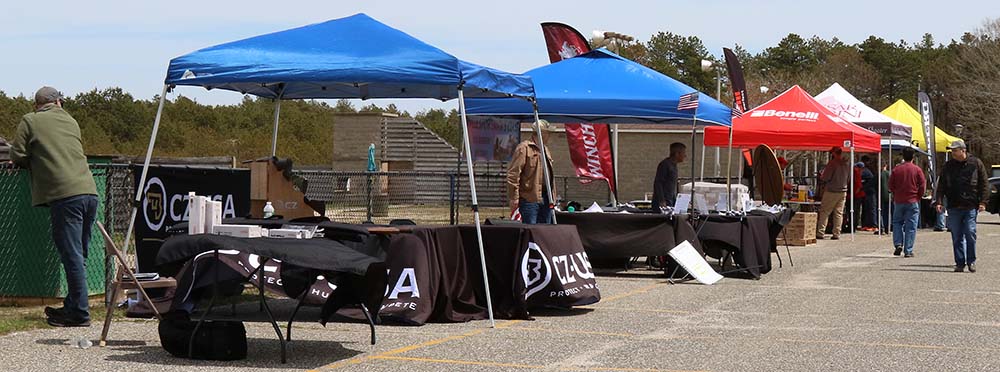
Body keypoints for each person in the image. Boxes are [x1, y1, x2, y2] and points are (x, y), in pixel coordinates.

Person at [9, 87, 98, 327]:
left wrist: (33, 161)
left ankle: (79, 313)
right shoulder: (71, 120)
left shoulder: (30, 120)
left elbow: (17, 154)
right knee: (80, 255)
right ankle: (72, 305)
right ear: (58, 102)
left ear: (36, 104)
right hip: (90, 192)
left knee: (71, 256)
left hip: (65, 195)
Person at [935, 140, 989, 273]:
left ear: (963, 150)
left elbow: (984, 184)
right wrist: (939, 201)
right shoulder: (948, 166)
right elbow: (941, 185)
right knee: (956, 235)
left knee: (970, 232)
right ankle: (960, 262)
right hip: (953, 206)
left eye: (955, 150)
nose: (953, 153)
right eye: (952, 150)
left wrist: (983, 202)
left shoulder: (976, 163)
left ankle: (971, 261)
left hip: (970, 205)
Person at [507, 119, 556, 224]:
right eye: (548, 133)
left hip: (547, 198)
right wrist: (514, 198)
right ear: (541, 133)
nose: (550, 136)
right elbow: (513, 174)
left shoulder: (545, 150)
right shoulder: (524, 148)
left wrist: (553, 197)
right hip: (529, 198)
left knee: (544, 231)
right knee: (530, 230)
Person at [888, 148, 925, 258]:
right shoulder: (917, 170)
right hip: (912, 200)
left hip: (899, 200)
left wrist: (895, 193)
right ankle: (908, 250)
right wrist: (919, 196)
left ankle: (898, 243)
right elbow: (923, 185)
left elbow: (890, 185)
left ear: (903, 157)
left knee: (897, 223)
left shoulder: (896, 170)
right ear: (913, 157)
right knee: (911, 225)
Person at [816, 147, 849, 240]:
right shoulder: (847, 164)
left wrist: (821, 177)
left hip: (831, 190)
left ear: (834, 153)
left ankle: (820, 232)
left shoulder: (832, 163)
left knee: (825, 212)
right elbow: (849, 178)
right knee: (839, 213)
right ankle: (836, 233)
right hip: (843, 191)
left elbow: (825, 177)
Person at [651, 142, 687, 212]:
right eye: (683, 153)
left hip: (670, 201)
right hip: (662, 203)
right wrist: (662, 200)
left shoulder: (674, 166)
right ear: (677, 154)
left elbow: (671, 186)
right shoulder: (665, 165)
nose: (685, 156)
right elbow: (658, 183)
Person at [859, 159, 877, 231]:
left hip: (870, 193)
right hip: (867, 193)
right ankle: (866, 224)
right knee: (866, 208)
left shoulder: (865, 172)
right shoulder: (867, 171)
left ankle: (873, 225)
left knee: (871, 208)